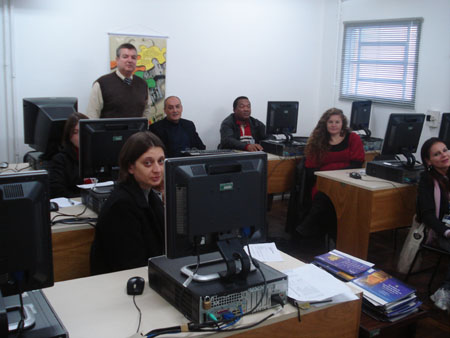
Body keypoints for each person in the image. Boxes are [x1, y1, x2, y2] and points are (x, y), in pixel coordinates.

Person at [90, 131, 165, 275]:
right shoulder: (122, 206)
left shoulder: (150, 196)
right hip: (120, 284)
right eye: (147, 163)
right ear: (130, 167)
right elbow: (130, 264)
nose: (157, 169)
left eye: (160, 161)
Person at [294, 108, 365, 240]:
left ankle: (305, 230)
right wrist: (327, 178)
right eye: (330, 122)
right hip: (323, 181)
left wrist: (337, 176)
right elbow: (311, 168)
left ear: (343, 124)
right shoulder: (318, 141)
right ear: (325, 124)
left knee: (327, 199)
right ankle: (328, 234)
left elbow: (357, 162)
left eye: (337, 122)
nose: (334, 125)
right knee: (324, 195)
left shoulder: (352, 138)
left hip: (348, 180)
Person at [417, 137, 450, 311]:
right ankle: (445, 290)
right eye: (437, 154)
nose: (444, 155)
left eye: (445, 150)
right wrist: (446, 232)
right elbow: (427, 216)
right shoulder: (427, 181)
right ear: (429, 161)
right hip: (439, 231)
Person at [86, 43, 151, 119]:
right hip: (109, 130)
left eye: (133, 57)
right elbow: (92, 114)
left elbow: (147, 109)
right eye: (125, 57)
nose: (130, 60)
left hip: (136, 130)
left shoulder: (142, 84)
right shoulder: (102, 84)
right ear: (117, 60)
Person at [48, 112, 88, 198]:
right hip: (73, 204)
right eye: (75, 132)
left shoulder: (98, 156)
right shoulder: (60, 160)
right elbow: (57, 190)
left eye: (83, 131)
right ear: (69, 136)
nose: (80, 136)